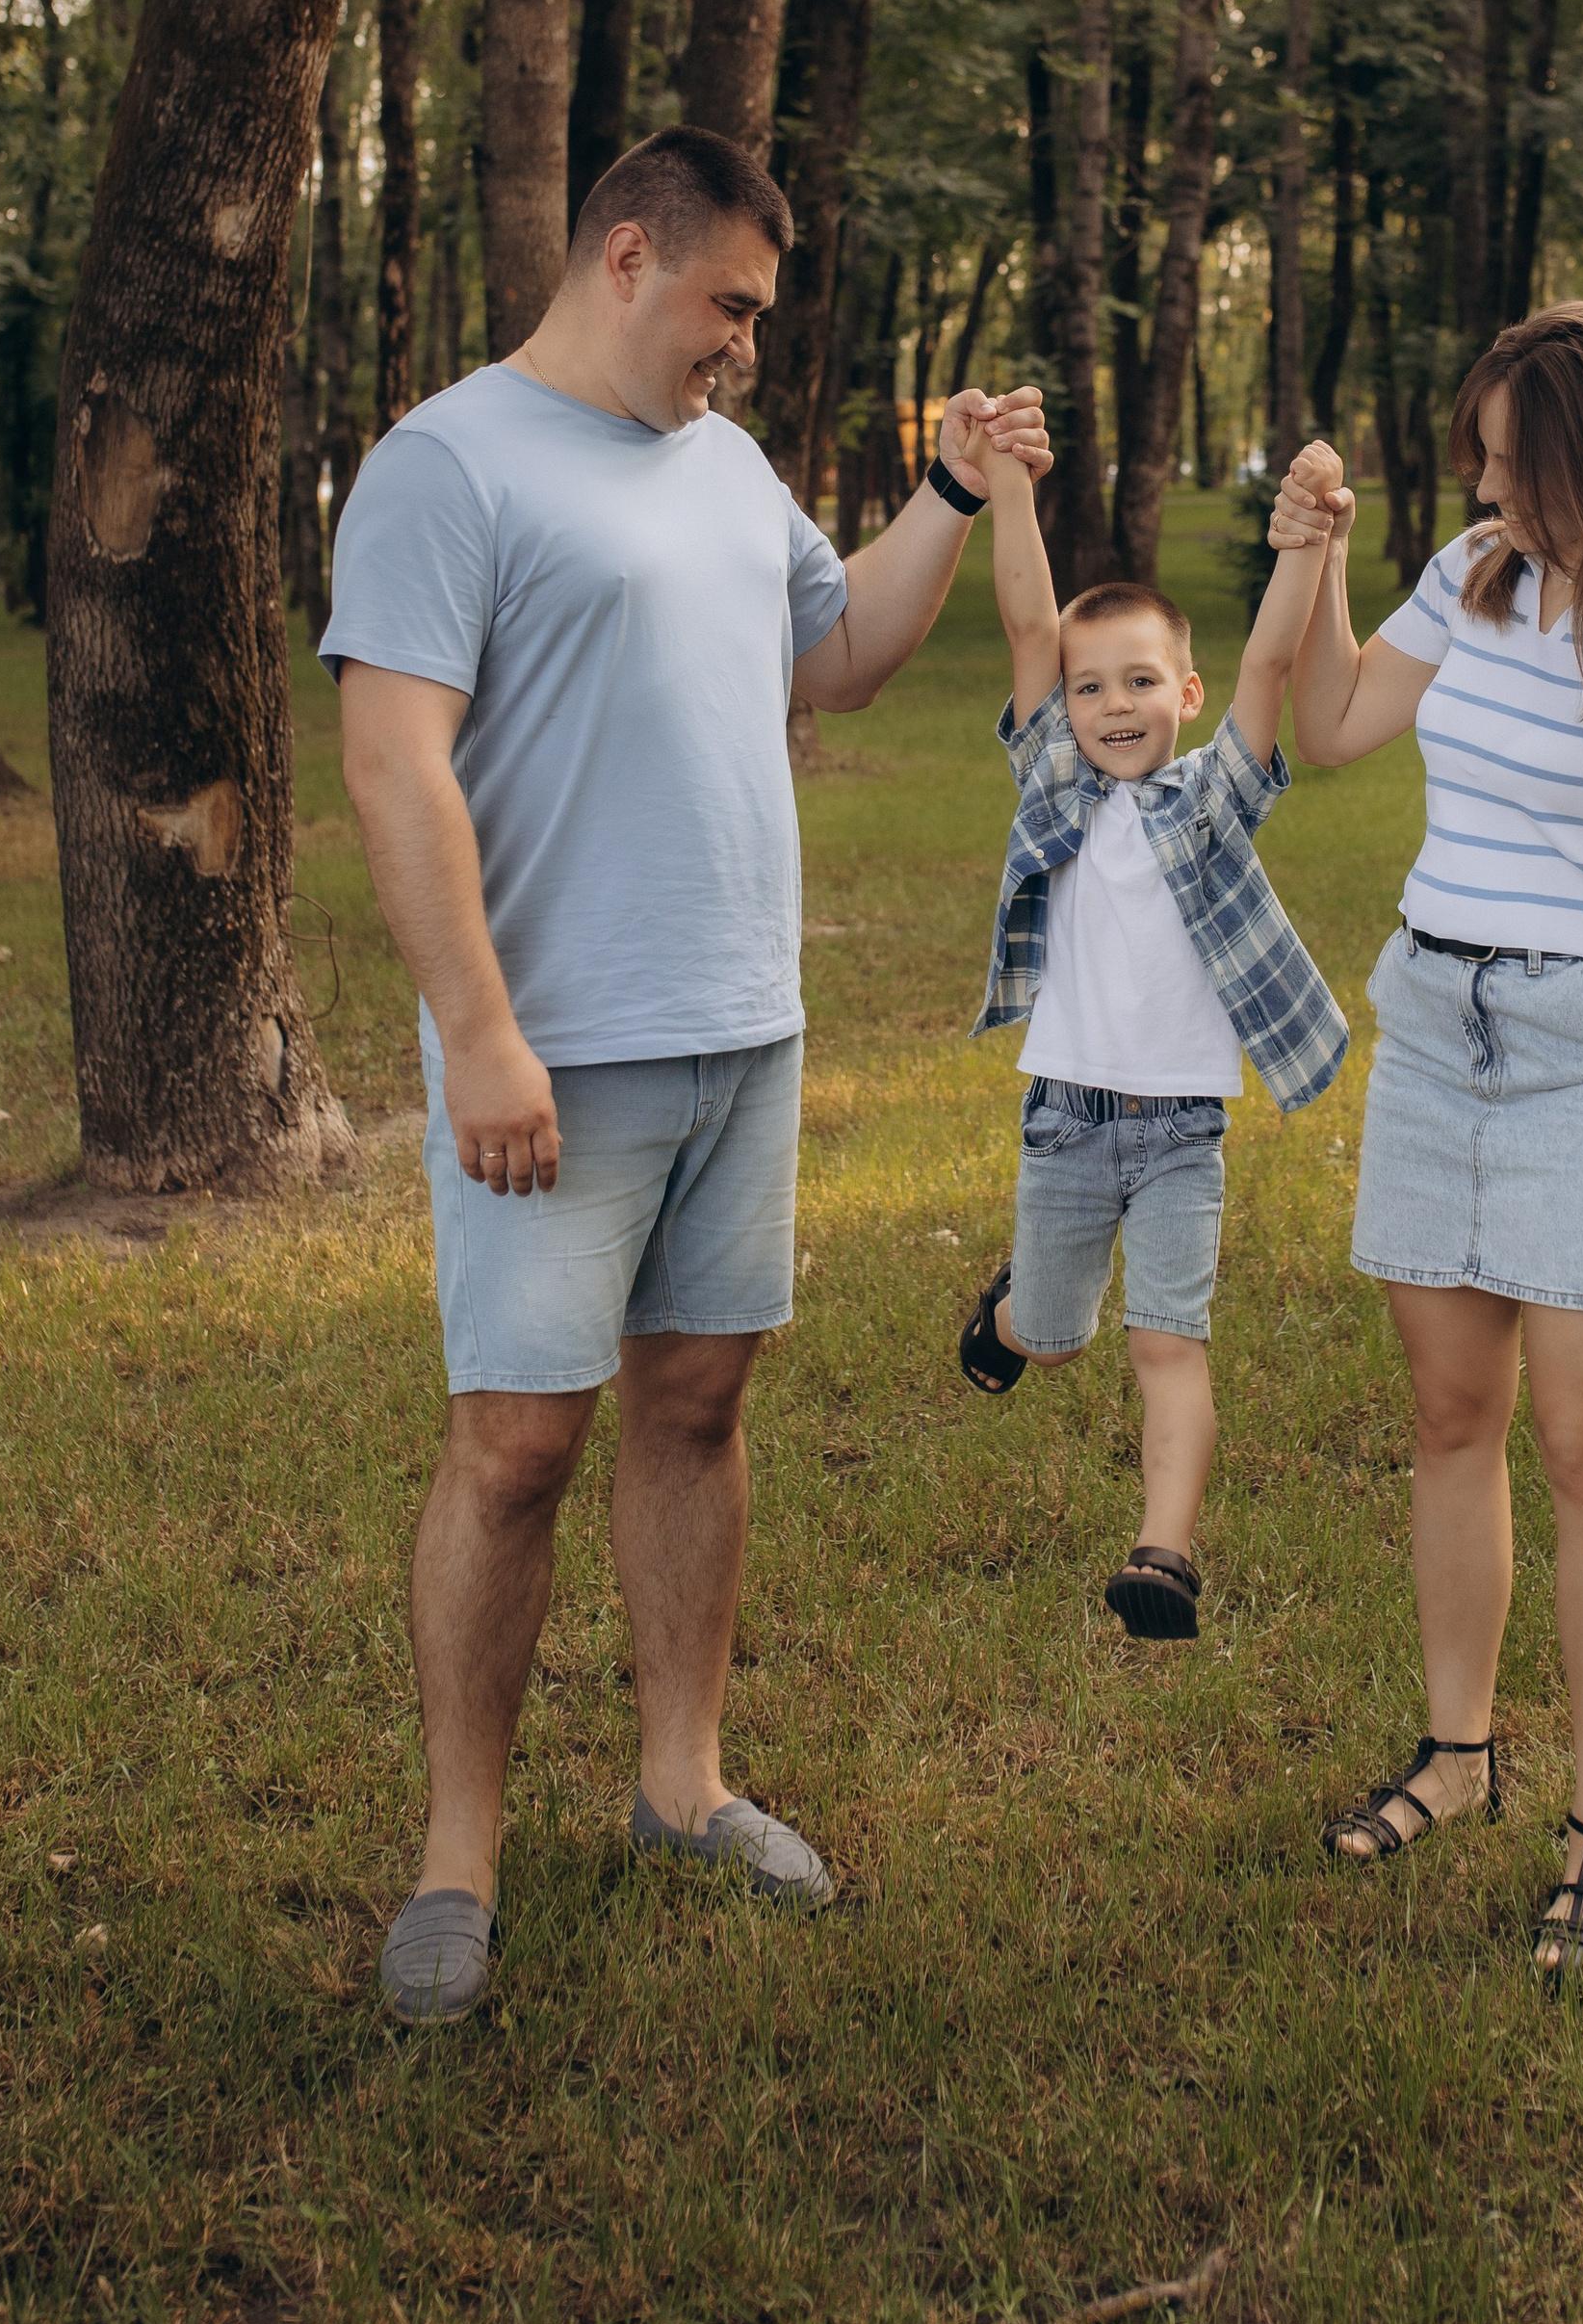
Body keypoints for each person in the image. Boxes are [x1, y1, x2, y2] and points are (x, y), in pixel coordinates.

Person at [324, 124, 1050, 2022]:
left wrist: (950, 492)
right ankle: (456, 1859)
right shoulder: (447, 464)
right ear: (628, 256)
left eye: (760, 315)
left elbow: (841, 656)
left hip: (744, 1034)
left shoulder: (726, 466)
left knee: (699, 1409)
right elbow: (393, 763)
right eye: (730, 303)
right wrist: (478, 1030)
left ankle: (681, 1786)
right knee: (514, 1448)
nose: (745, 342)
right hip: (552, 1055)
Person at [1278, 303, 1583, 1994]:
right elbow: (1332, 727)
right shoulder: (1473, 575)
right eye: (1481, 459)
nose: (1487, 489)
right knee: (1448, 1417)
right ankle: (1457, 1753)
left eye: (1513, 464)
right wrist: (1316, 559)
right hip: (1436, 1024)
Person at [957, 425, 1348, 1638]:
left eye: (1138, 682)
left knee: (1168, 1343)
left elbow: (1272, 661)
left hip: (1183, 1133)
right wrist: (1008, 479)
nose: (1111, 705)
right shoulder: (1054, 784)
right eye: (1088, 688)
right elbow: (1029, 620)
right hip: (1065, 1127)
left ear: (1184, 695)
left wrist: (1303, 535)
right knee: (1055, 1338)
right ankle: (1010, 1313)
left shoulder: (1214, 800)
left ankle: (1162, 1556)